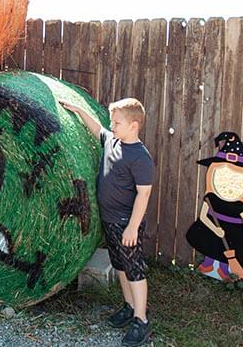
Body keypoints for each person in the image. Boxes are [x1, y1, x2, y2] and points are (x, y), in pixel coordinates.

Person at [60, 97, 155, 347]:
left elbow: (144, 194)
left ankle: (141, 320)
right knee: (120, 266)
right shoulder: (113, 141)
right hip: (110, 219)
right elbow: (97, 129)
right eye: (112, 121)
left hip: (126, 223)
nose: (112, 125)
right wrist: (79, 110)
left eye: (117, 122)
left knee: (134, 268)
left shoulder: (140, 157)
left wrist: (133, 227)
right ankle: (129, 306)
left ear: (134, 125)